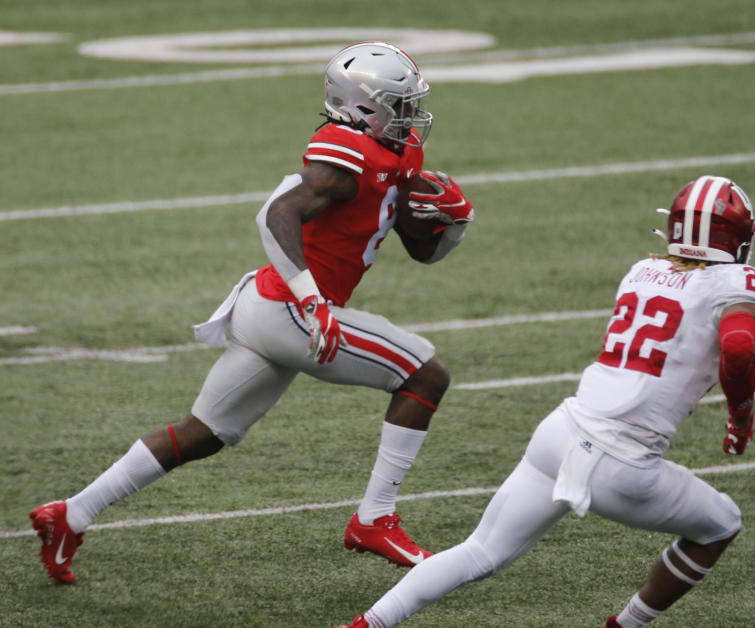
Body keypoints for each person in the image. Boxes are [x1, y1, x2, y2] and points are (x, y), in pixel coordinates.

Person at [29, 41, 476, 585]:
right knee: (424, 374)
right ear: (362, 106)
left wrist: (451, 225)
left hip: (269, 308)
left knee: (203, 433)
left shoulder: (393, 154)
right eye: (398, 105)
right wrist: (313, 301)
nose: (410, 117)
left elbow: (419, 245)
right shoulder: (344, 149)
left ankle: (70, 514)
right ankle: (374, 518)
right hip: (291, 309)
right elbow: (276, 216)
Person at [321, 174, 755, 628]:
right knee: (721, 524)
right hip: (622, 461)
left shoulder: (644, 270)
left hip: (560, 432)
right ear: (738, 237)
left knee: (478, 551)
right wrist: (741, 418)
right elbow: (739, 348)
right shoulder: (739, 281)